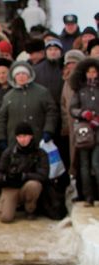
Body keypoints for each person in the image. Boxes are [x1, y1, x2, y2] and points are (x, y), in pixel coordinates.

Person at [0, 61, 58, 150]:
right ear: (14, 77)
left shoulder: (42, 92)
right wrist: (1, 138)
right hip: (15, 143)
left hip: (39, 140)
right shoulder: (8, 97)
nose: (21, 76)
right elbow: (1, 118)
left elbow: (51, 112)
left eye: (23, 73)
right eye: (18, 74)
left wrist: (48, 130)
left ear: (29, 75)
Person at [0, 121, 49, 222]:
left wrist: (24, 176)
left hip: (27, 186)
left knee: (34, 185)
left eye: (25, 136)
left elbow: (44, 175)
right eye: (19, 136)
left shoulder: (40, 153)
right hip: (11, 187)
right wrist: (6, 178)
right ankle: (3, 203)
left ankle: (30, 209)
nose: (22, 139)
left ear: (31, 136)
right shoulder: (9, 152)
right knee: (6, 218)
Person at [69, 57, 99, 206]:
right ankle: (88, 197)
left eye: (94, 72)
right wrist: (83, 113)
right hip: (84, 132)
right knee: (84, 165)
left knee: (96, 163)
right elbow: (72, 108)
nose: (92, 75)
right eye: (89, 72)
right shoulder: (80, 90)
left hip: (98, 131)